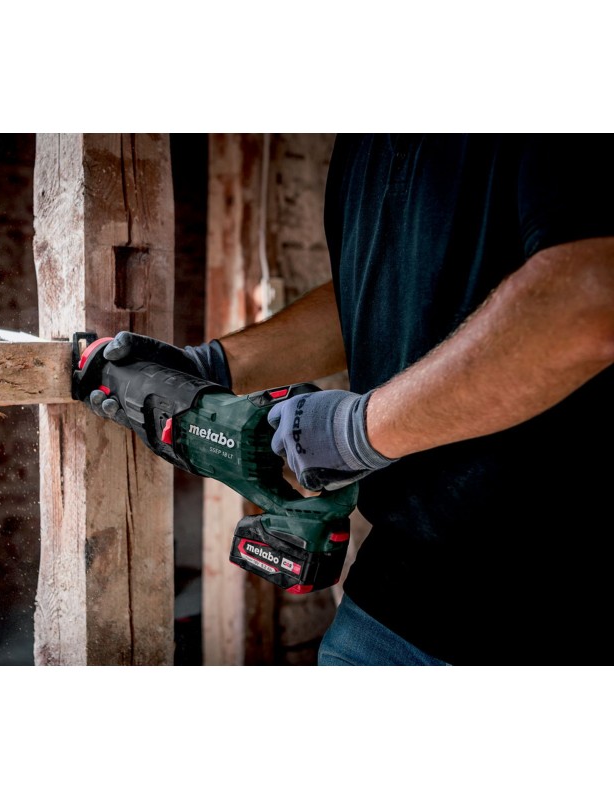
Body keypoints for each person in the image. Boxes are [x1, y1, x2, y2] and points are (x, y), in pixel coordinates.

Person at [90, 134, 614, 665]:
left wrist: (353, 433)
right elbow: (372, 294)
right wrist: (212, 365)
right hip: (387, 604)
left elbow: (590, 301)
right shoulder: (359, 146)